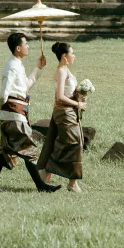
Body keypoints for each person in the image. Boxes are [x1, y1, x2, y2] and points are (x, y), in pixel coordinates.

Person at [0, 32, 61, 193]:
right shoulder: (12, 66)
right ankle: (41, 186)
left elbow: (25, 86)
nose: (28, 47)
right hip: (14, 114)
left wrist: (38, 68)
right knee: (29, 149)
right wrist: (0, 104)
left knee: (4, 151)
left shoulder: (17, 65)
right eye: (26, 44)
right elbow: (4, 91)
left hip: (13, 114)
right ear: (18, 48)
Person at [37, 42, 86, 193]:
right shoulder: (61, 71)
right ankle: (71, 183)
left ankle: (49, 176)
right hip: (64, 113)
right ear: (64, 56)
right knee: (72, 144)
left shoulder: (66, 70)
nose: (74, 55)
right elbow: (59, 96)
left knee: (72, 143)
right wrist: (77, 104)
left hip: (69, 112)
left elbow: (68, 92)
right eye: (72, 53)